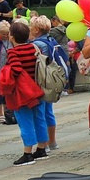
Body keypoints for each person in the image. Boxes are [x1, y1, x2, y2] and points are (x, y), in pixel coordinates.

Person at [3, 21, 49, 165]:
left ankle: (27, 153)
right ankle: (41, 149)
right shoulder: (33, 47)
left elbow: (16, 69)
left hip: (23, 92)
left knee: (25, 121)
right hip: (38, 89)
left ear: (12, 37)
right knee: (40, 118)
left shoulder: (12, 52)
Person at [30, 16, 60, 150]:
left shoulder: (37, 44)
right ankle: (52, 142)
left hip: (40, 81)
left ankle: (43, 144)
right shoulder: (51, 40)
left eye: (31, 27)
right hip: (51, 80)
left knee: (39, 113)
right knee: (49, 111)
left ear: (36, 29)